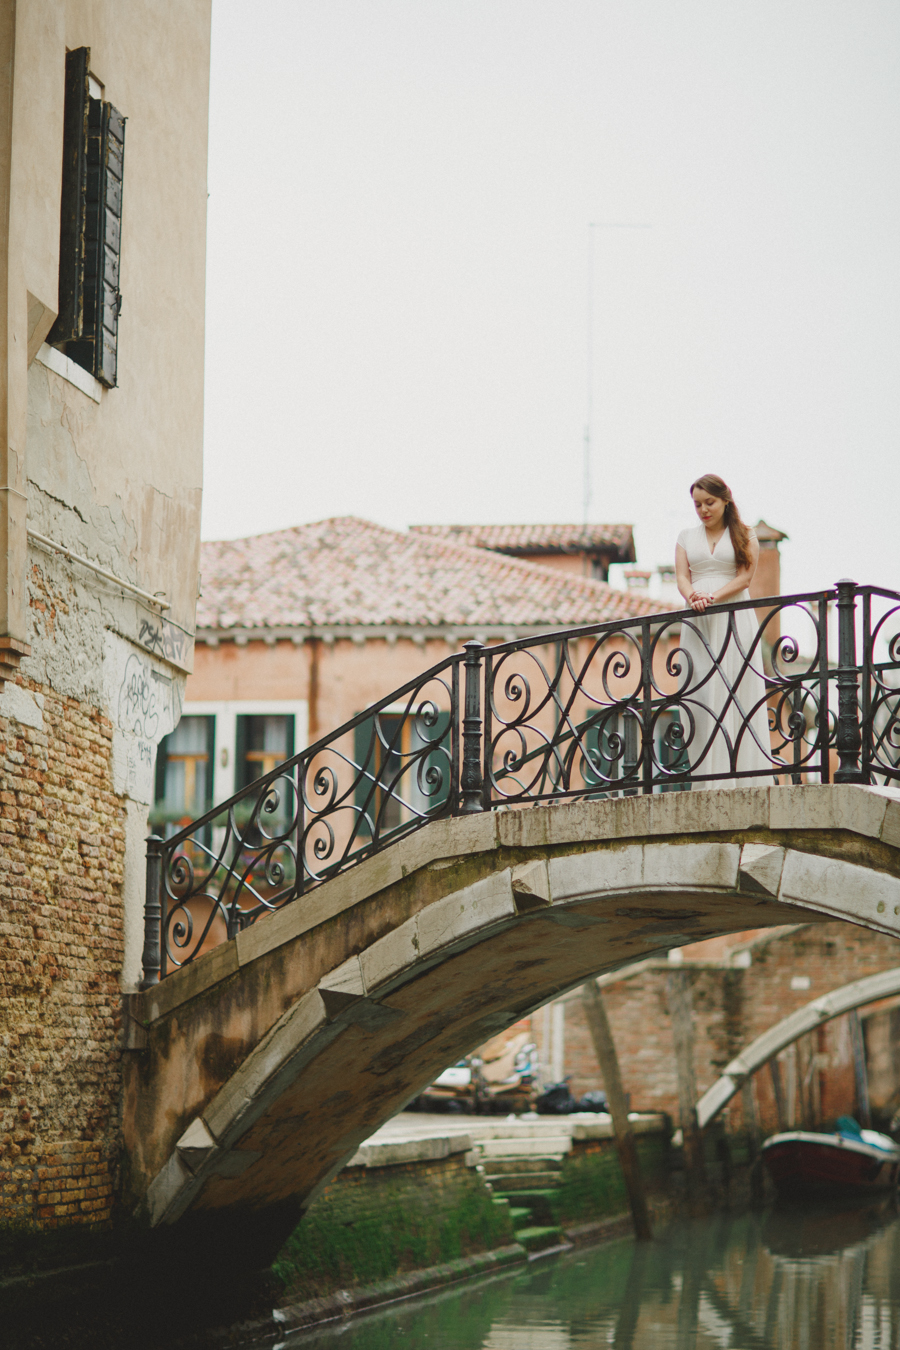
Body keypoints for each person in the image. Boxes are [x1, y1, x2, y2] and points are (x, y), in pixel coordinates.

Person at [673, 474, 773, 788]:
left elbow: (745, 579)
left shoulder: (745, 534)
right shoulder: (686, 536)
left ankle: (744, 778)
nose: (703, 509)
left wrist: (713, 598)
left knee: (737, 688)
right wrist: (693, 597)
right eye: (697, 504)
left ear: (725, 500)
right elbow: (682, 577)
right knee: (701, 692)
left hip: (734, 617)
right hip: (698, 620)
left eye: (709, 502)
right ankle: (706, 777)